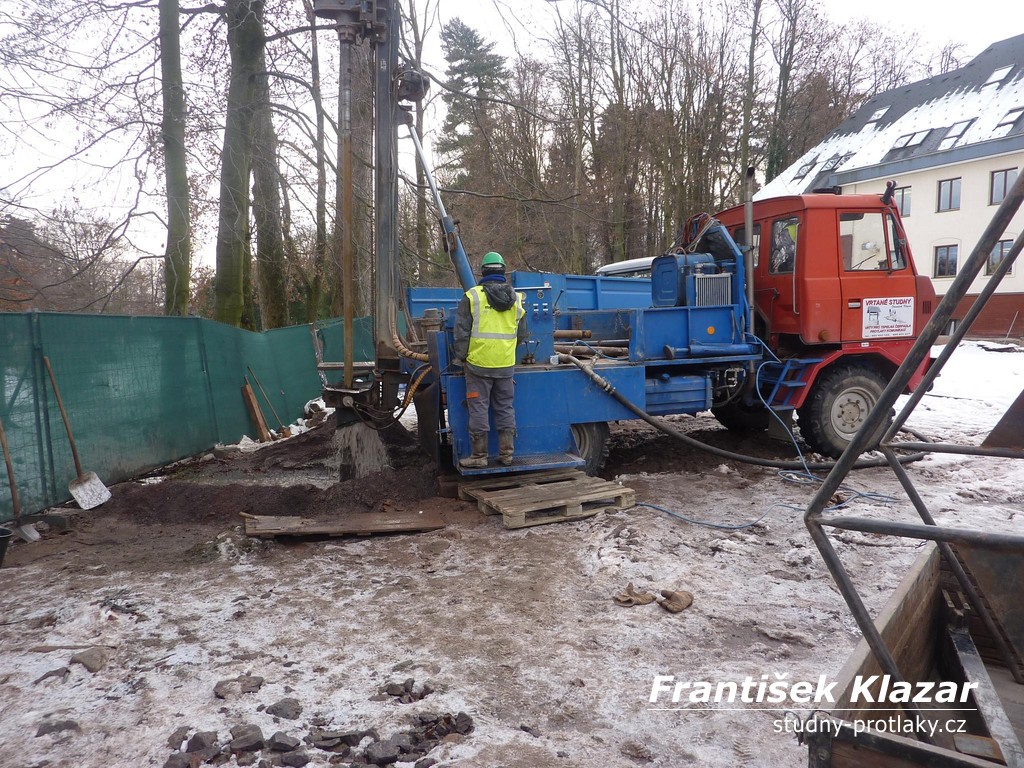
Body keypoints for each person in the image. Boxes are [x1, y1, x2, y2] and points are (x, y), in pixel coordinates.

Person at [452, 251, 527, 468]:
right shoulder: (516, 299)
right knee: (505, 408)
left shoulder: (473, 297)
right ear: (503, 271)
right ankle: (507, 455)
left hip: (478, 367)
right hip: (505, 366)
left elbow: (461, 333)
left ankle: (479, 457)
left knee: (478, 409)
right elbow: (522, 333)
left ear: (483, 272)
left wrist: (461, 358)